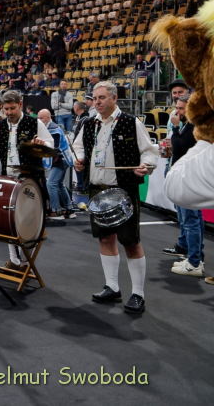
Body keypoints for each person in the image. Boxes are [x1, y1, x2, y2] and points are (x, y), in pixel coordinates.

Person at [73, 81, 160, 315]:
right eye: (95, 98)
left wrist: (146, 165)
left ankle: (138, 294)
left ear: (114, 98)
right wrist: (79, 159)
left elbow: (149, 151)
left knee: (131, 242)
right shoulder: (89, 123)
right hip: (97, 190)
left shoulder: (131, 122)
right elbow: (78, 147)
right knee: (104, 239)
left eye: (101, 98)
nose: (97, 102)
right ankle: (112, 287)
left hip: (124, 190)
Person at [0, 91, 53, 270]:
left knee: (28, 223)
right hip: (8, 180)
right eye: (6, 109)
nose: (8, 112)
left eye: (12, 108)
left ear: (20, 105)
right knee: (9, 220)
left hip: (31, 181)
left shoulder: (35, 123)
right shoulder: (0, 126)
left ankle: (24, 262)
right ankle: (15, 262)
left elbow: (50, 144)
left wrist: (42, 144)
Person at [161, 92, 203, 277]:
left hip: (189, 178)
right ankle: (195, 258)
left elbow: (181, 147)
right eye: (176, 108)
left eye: (181, 108)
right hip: (187, 176)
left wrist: (176, 128)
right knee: (192, 220)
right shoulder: (189, 124)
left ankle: (194, 262)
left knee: (191, 221)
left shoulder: (193, 125)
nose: (177, 112)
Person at [37, 109, 76, 218]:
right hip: (60, 159)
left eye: (41, 118)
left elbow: (54, 148)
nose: (39, 120)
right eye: (38, 118)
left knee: (51, 184)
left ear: (48, 118)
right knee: (59, 184)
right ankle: (69, 209)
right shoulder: (47, 128)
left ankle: (56, 211)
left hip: (61, 159)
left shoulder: (54, 129)